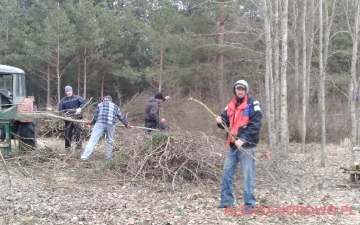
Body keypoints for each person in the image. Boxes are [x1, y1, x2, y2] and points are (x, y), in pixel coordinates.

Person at [213, 79, 262, 213]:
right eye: (238, 88)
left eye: (242, 89)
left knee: (248, 176)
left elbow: (256, 125)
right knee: (226, 173)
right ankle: (226, 202)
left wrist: (244, 139)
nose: (240, 91)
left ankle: (249, 205)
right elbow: (224, 120)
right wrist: (219, 121)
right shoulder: (230, 105)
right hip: (233, 146)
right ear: (235, 90)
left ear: (246, 90)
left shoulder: (254, 104)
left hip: (247, 146)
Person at [80, 95, 131, 161]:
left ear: (104, 99)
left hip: (100, 123)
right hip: (111, 124)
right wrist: (127, 124)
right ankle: (108, 158)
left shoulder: (100, 104)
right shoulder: (116, 106)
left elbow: (95, 116)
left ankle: (83, 158)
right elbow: (121, 117)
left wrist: (92, 122)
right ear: (111, 100)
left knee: (92, 141)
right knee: (110, 141)